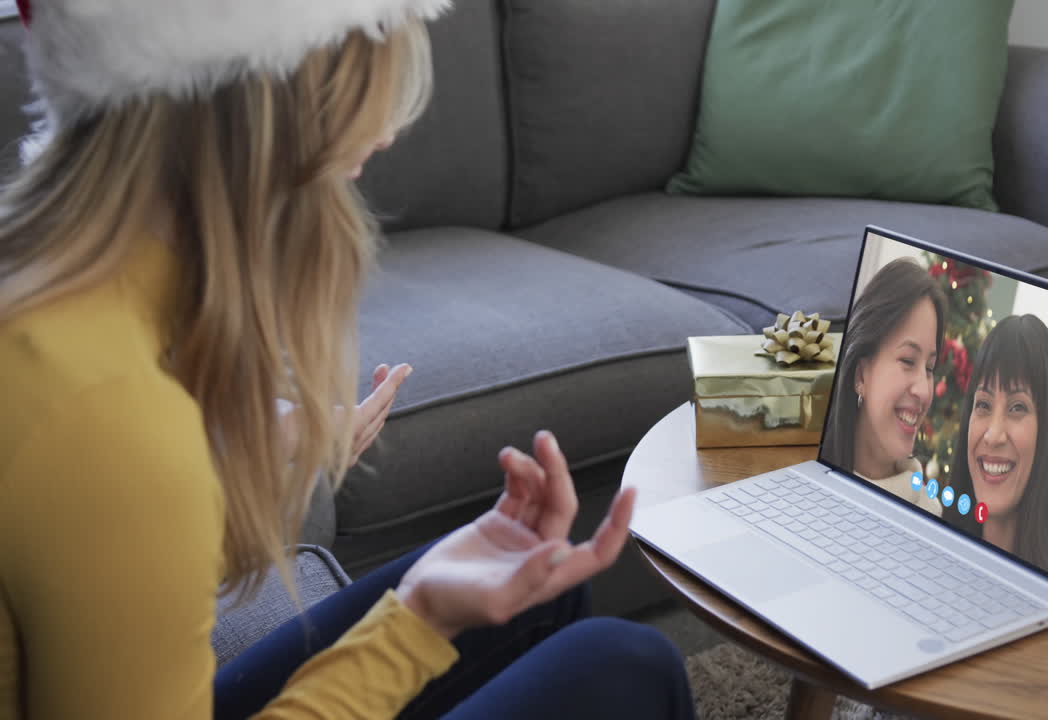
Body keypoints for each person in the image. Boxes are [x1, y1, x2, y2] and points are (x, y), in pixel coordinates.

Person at [0, 2, 695, 718]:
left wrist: (234, 477)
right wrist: (418, 625)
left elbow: (99, 585)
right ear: (271, 95)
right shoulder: (104, 411)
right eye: (368, 73)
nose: (388, 129)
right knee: (624, 667)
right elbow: (110, 480)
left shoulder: (54, 291)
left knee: (532, 594)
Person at [941, 314, 1048, 590]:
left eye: (1017, 408)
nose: (994, 435)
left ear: (1046, 431)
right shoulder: (937, 548)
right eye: (983, 404)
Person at [825, 257, 945, 516]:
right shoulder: (812, 472)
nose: (924, 391)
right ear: (861, 375)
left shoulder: (930, 514)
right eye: (907, 360)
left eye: (929, 369)